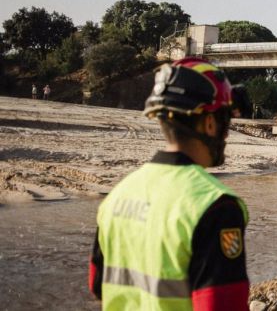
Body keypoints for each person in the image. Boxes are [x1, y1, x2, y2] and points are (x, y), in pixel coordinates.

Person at [88, 57, 249, 310]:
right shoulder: (216, 206)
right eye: (225, 121)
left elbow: (97, 286)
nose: (227, 133)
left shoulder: (117, 195)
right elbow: (221, 304)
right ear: (209, 123)